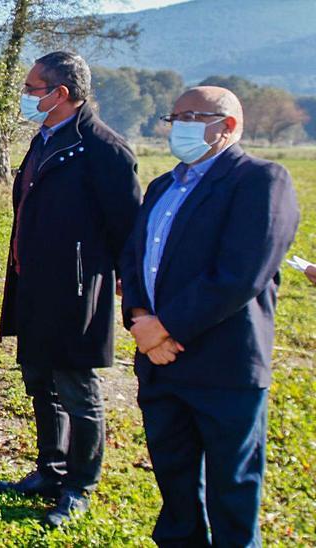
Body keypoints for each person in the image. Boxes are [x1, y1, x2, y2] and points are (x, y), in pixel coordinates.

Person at [120, 86, 299, 547]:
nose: (179, 126)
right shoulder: (163, 185)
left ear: (229, 126)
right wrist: (141, 319)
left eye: (192, 116)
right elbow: (136, 258)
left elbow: (240, 273)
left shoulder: (261, 181)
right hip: (161, 364)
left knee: (232, 494)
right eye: (174, 116)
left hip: (224, 365)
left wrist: (165, 327)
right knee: (176, 491)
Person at [0, 51, 141, 528]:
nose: (26, 95)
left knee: (77, 387)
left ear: (60, 94)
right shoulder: (45, 138)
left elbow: (127, 229)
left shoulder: (104, 149)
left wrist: (122, 287)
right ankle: (50, 470)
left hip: (77, 289)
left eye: (33, 88)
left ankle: (79, 484)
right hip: (35, 284)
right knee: (40, 382)